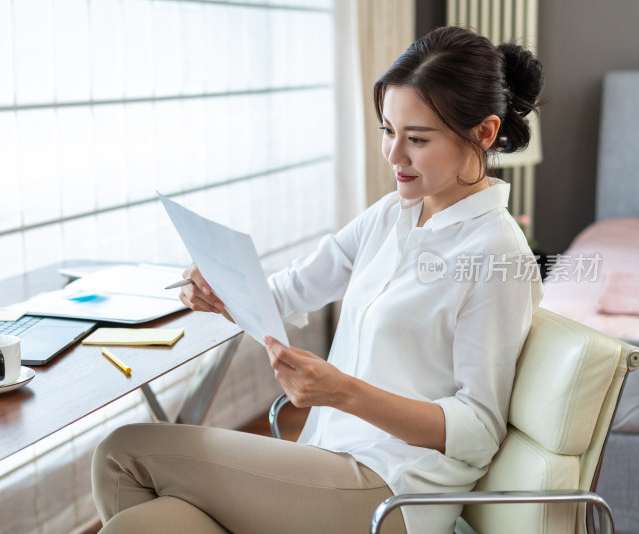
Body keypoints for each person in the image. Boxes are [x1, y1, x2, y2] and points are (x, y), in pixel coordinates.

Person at [91, 26, 544, 534]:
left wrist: (345, 392)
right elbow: (288, 292)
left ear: (484, 133)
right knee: (137, 524)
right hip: (325, 459)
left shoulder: (497, 254)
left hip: (394, 494)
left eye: (416, 139)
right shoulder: (393, 215)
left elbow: (479, 429)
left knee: (122, 452)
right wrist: (220, 291)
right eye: (387, 132)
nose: (394, 156)